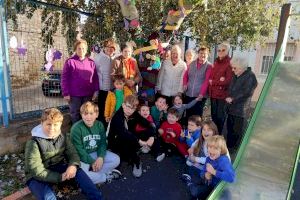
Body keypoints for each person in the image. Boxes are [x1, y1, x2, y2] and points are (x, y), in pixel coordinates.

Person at [25, 108, 102, 200]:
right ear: (42, 123)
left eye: (55, 125)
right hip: (37, 176)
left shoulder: (64, 137)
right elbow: (36, 170)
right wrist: (59, 177)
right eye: (48, 124)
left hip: (58, 167)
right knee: (48, 197)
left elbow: (73, 154)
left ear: (60, 124)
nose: (52, 128)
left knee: (82, 177)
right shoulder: (33, 142)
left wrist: (73, 166)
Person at [70, 102, 121, 184]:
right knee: (81, 174)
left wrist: (101, 157)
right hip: (82, 156)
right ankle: (105, 177)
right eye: (85, 114)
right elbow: (79, 150)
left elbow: (102, 143)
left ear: (96, 114)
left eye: (91, 113)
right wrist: (92, 162)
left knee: (116, 160)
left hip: (95, 153)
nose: (88, 117)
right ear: (81, 115)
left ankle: (93, 175)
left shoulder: (99, 125)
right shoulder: (76, 128)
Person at [182, 135, 235, 199]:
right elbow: (203, 172)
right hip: (209, 184)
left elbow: (231, 177)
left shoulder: (223, 160)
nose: (212, 150)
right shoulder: (208, 159)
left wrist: (214, 172)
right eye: (210, 147)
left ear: (221, 150)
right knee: (195, 190)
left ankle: (191, 185)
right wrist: (206, 175)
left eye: (216, 148)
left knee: (196, 191)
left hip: (220, 187)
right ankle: (190, 184)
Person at [61, 39, 99, 123]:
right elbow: (64, 79)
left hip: (88, 94)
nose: (81, 50)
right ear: (75, 49)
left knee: (87, 113)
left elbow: (95, 78)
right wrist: (65, 93)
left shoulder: (91, 62)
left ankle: (85, 132)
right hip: (74, 95)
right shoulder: (70, 62)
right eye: (79, 48)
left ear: (86, 50)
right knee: (75, 114)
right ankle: (76, 133)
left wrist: (96, 91)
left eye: (83, 48)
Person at [225, 56, 257, 150]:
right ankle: (228, 149)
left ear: (242, 67)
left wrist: (233, 99)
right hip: (231, 108)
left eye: (235, 68)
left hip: (241, 110)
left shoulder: (250, 76)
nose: (233, 70)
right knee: (230, 130)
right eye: (232, 67)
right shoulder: (236, 75)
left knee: (237, 132)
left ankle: (235, 152)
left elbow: (247, 92)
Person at [107, 95, 143, 178]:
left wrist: (152, 135)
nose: (130, 110)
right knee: (125, 142)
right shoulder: (117, 117)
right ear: (123, 105)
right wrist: (139, 141)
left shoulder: (133, 113)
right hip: (114, 141)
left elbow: (144, 122)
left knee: (141, 131)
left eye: (133, 108)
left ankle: (131, 156)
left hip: (126, 137)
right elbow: (122, 133)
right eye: (128, 107)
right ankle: (136, 160)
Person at [209, 42, 233, 134]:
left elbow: (227, 81)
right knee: (214, 117)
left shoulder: (229, 63)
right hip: (213, 94)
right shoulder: (216, 61)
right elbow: (211, 76)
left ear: (227, 51)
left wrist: (214, 82)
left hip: (222, 96)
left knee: (220, 119)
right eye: (219, 50)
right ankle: (213, 137)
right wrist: (218, 81)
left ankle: (218, 140)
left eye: (223, 50)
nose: (221, 52)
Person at [94, 38, 118, 127]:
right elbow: (94, 74)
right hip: (102, 89)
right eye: (107, 47)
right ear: (104, 48)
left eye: (112, 47)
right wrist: (96, 90)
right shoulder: (98, 58)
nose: (109, 49)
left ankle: (109, 127)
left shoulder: (115, 58)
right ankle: (101, 128)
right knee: (102, 109)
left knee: (111, 109)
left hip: (112, 89)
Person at [183, 46, 212, 117]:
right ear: (198, 54)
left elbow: (206, 81)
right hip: (189, 94)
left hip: (200, 96)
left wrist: (201, 94)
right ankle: (187, 128)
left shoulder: (209, 66)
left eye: (205, 53)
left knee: (197, 116)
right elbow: (185, 75)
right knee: (188, 114)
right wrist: (185, 84)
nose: (202, 55)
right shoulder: (192, 63)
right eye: (201, 53)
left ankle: (197, 128)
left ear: (207, 55)